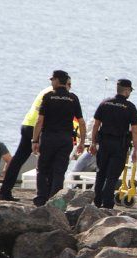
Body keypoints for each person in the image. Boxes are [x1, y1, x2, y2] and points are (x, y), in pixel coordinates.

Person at [0, 77, 71, 201]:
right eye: (68, 84)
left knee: (18, 160)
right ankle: (44, 195)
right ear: (63, 84)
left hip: (27, 124)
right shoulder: (55, 95)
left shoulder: (46, 91)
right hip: (37, 128)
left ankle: (5, 191)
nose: (69, 87)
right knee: (45, 163)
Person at [31, 70, 86, 206]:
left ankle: (41, 198)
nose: (51, 82)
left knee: (43, 169)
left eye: (52, 80)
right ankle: (54, 200)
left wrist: (35, 140)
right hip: (66, 139)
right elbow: (81, 122)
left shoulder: (49, 96)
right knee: (59, 170)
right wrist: (82, 142)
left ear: (56, 80)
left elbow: (40, 121)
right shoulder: (73, 98)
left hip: (49, 137)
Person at [89, 79, 137, 209]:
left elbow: (96, 125)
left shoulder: (105, 103)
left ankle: (97, 202)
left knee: (100, 174)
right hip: (119, 145)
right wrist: (135, 149)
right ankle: (107, 204)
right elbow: (134, 131)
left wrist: (93, 143)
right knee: (112, 176)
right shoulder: (130, 107)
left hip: (104, 143)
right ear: (127, 90)